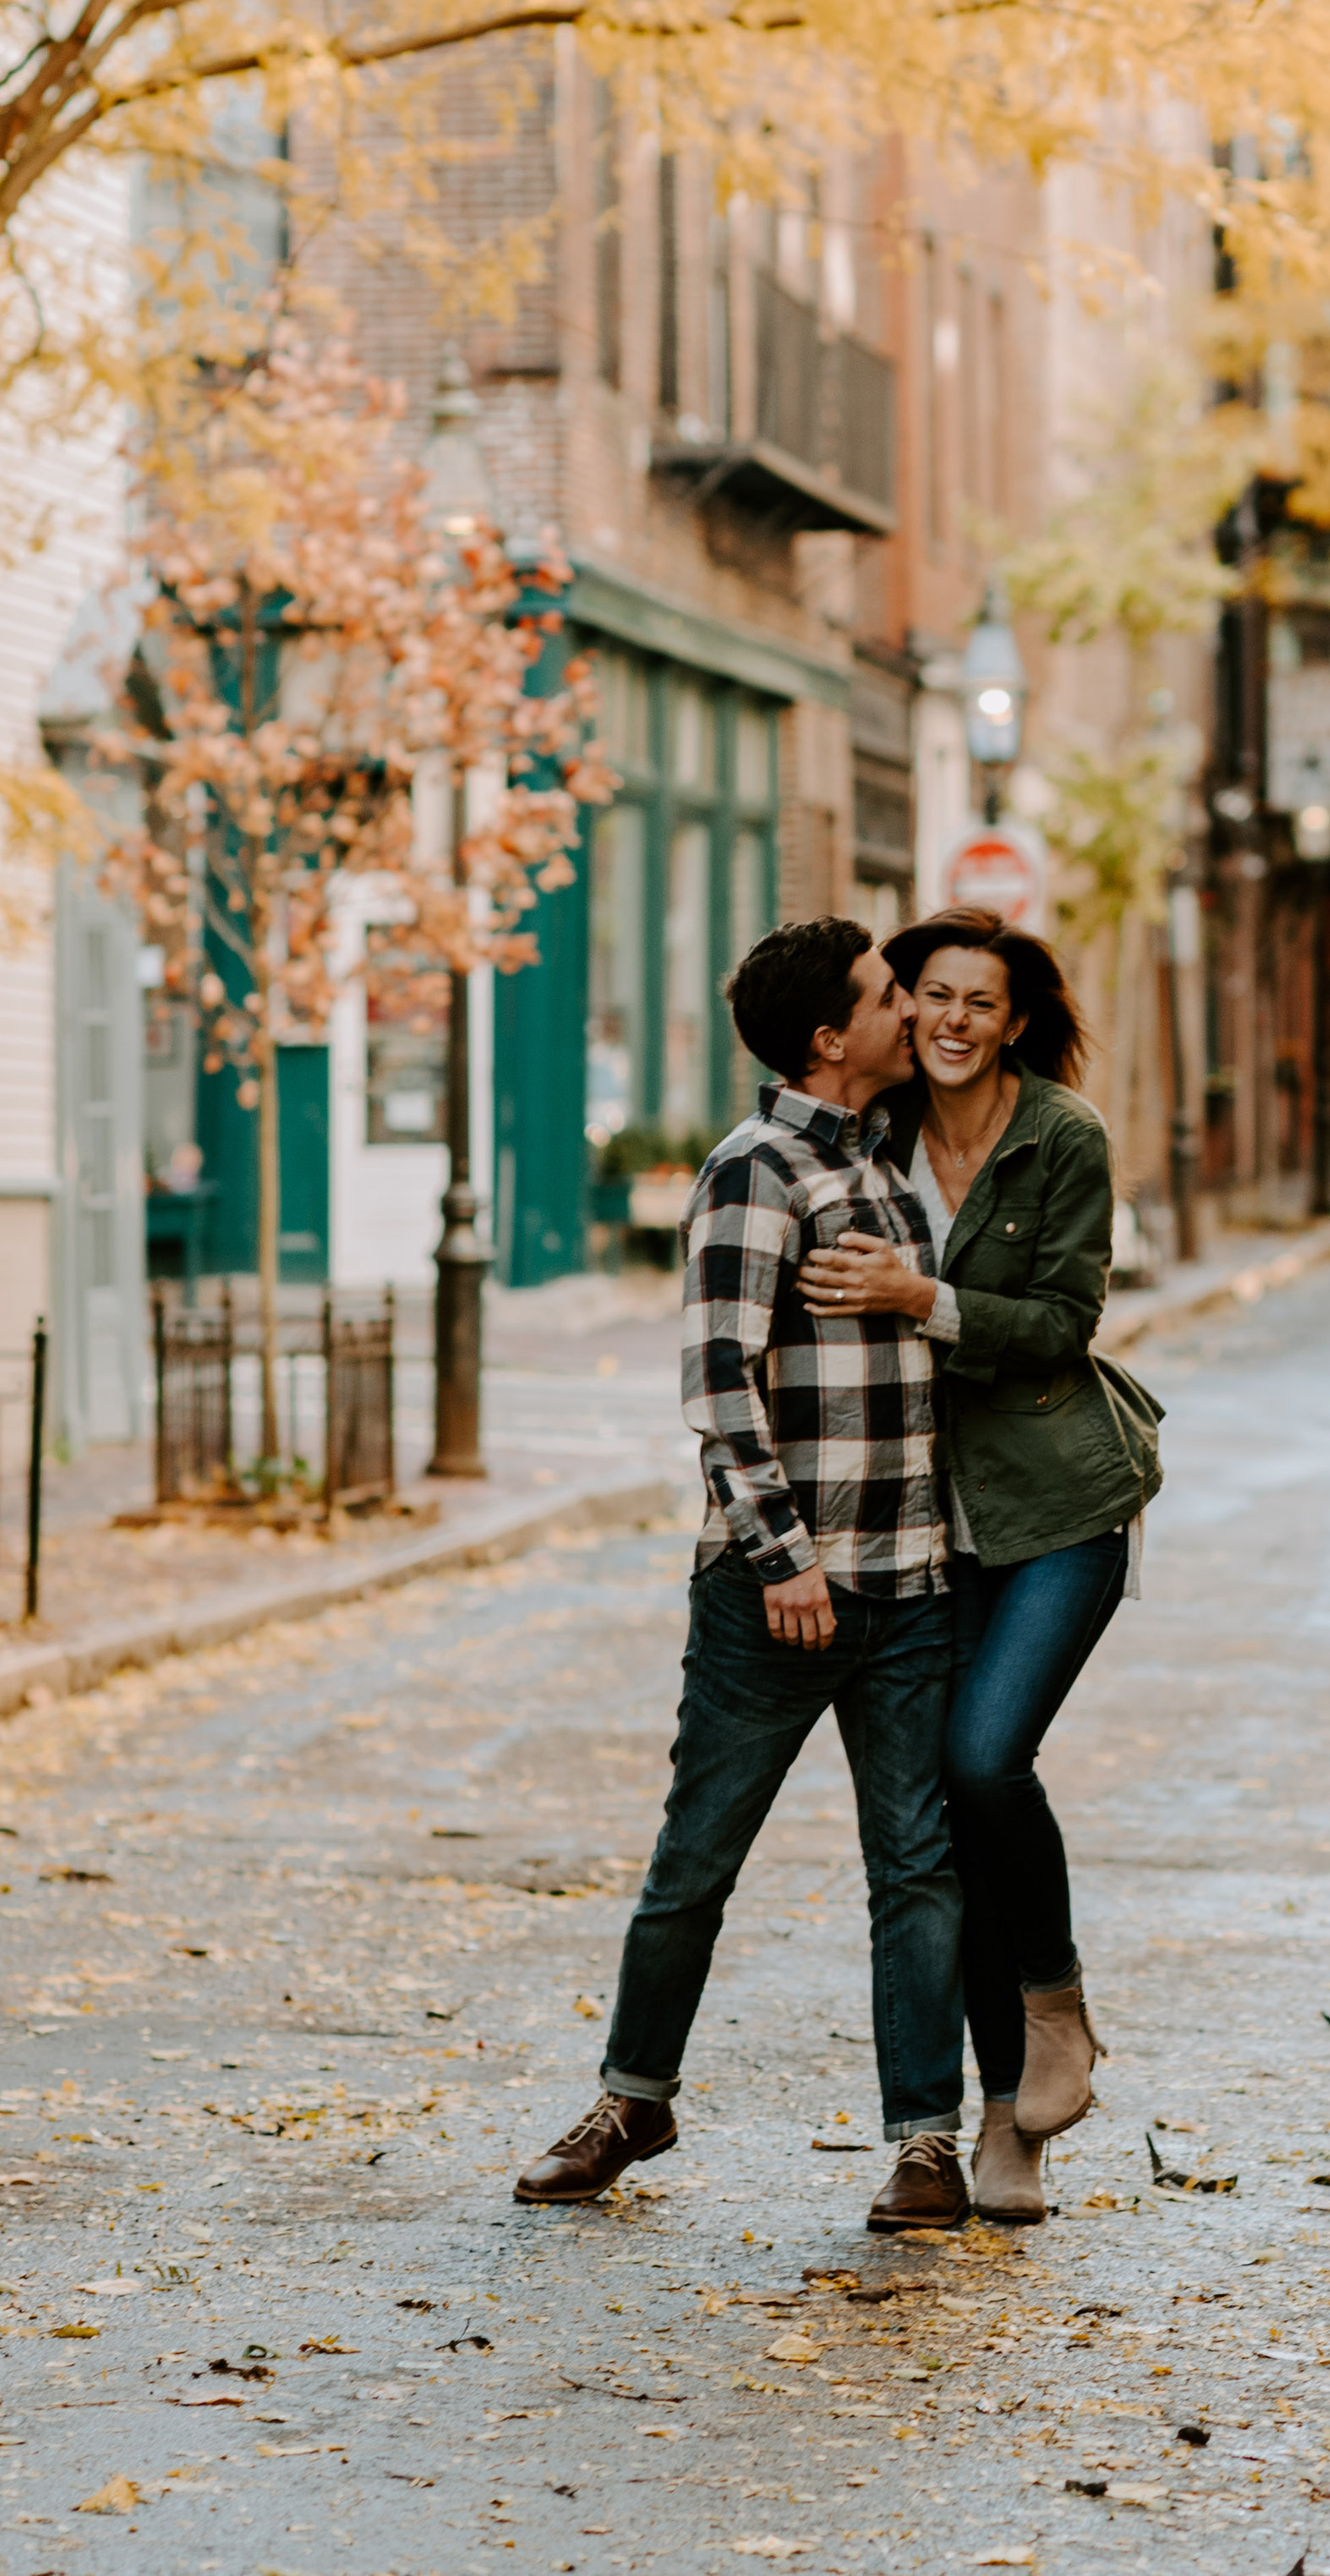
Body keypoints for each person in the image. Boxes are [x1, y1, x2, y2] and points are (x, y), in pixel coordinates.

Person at [515, 917, 973, 2231]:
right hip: (777, 1590)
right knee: (697, 1858)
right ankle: (631, 2096)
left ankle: (925, 2143)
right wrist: (783, 1556)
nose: (909, 1011)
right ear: (831, 1038)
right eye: (890, 995)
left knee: (917, 1867)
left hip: (907, 1585)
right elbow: (718, 1387)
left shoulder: (891, 1168)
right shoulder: (752, 1169)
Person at [797, 910, 1161, 2226]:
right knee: (943, 1828)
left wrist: (924, 1301)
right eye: (931, 994)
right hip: (921, 1521)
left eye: (980, 1000)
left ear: (1016, 1020)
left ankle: (1053, 1998)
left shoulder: (1060, 1134)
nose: (951, 1019)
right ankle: (1008, 2121)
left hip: (1063, 1501)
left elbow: (1063, 1322)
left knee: (983, 1758)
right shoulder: (874, 1134)